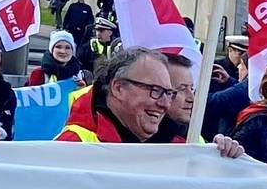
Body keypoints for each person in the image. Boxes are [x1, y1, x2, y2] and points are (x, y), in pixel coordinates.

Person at [54, 47, 247, 156]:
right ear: (119, 88)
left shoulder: (186, 142)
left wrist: (222, 158)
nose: (164, 104)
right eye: (156, 91)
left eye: (169, 93)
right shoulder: (73, 145)